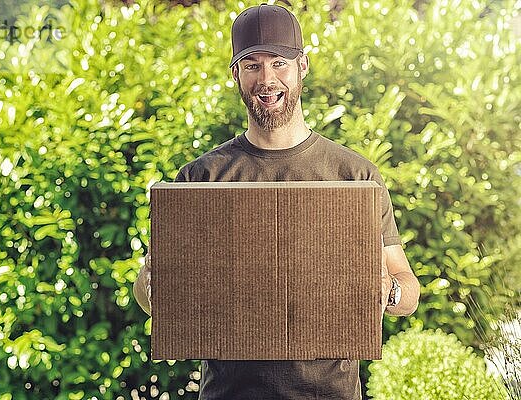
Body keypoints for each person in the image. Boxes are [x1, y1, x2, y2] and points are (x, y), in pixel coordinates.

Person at [133, 3, 420, 399]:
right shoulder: (201, 179)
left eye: (279, 63)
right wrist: (151, 286)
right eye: (251, 65)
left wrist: (389, 291)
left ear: (302, 66)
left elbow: (408, 289)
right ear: (236, 74)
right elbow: (152, 299)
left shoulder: (355, 176)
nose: (266, 79)